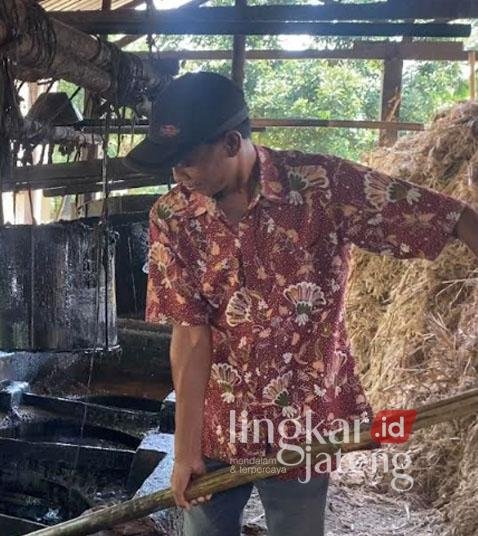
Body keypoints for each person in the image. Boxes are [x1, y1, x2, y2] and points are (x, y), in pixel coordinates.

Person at [124, 72, 478, 536]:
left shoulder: (322, 187)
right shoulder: (172, 218)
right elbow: (190, 335)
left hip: (304, 426)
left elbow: (450, 217)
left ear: (232, 143)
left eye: (187, 160)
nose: (177, 175)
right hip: (216, 424)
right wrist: (186, 447)